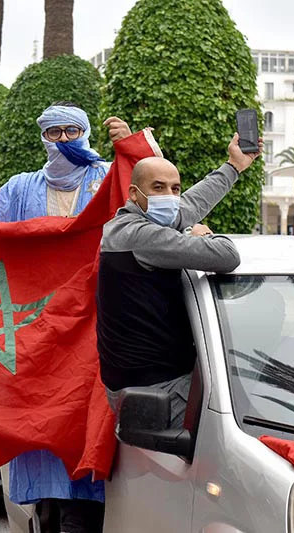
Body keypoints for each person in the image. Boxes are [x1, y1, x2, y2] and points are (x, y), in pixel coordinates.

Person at [0, 102, 140, 532]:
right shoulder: (19, 189)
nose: (63, 141)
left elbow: (157, 195)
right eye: (53, 133)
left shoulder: (110, 181)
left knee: (84, 446)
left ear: (85, 133)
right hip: (35, 342)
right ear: (42, 137)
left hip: (92, 340)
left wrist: (130, 147)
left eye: (71, 131)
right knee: (40, 445)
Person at [97, 134, 262, 429]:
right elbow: (227, 256)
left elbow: (190, 205)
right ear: (134, 193)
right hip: (156, 393)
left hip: (157, 382)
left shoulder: (135, 223)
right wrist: (201, 236)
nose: (170, 197)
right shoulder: (139, 235)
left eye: (175, 189)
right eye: (158, 188)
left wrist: (234, 166)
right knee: (249, 422)